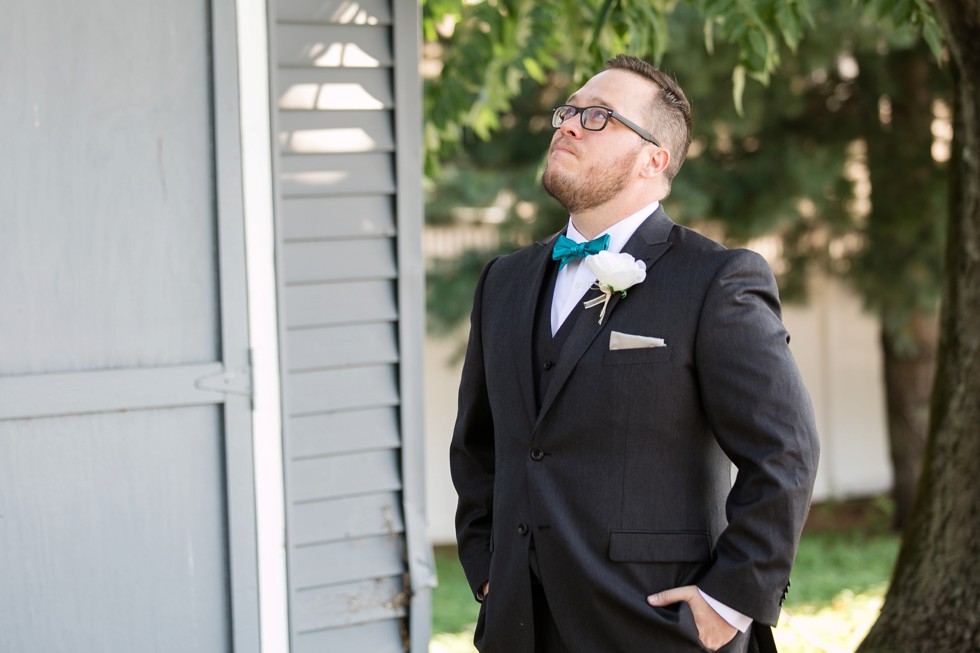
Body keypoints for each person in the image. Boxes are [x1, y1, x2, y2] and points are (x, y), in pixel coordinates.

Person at [449, 54, 820, 653]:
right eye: (568, 111)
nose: (568, 124)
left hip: (658, 625)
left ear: (655, 158)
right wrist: (488, 569)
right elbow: (478, 445)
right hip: (518, 625)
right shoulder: (503, 282)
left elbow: (785, 451)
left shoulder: (716, 280)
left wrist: (729, 602)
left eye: (598, 116)